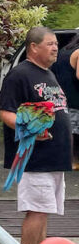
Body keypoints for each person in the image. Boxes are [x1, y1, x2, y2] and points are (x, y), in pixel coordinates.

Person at [0, 26, 72, 244]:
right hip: (34, 158)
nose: (55, 48)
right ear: (33, 47)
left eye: (56, 45)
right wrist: (29, 129)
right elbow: (5, 112)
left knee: (44, 210)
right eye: (50, 43)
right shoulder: (20, 74)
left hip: (54, 156)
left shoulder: (48, 74)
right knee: (36, 211)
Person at [52, 31, 79, 170]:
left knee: (69, 130)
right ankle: (73, 162)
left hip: (61, 98)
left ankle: (68, 160)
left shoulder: (64, 51)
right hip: (75, 99)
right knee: (75, 133)